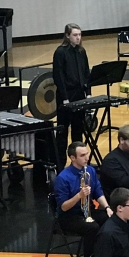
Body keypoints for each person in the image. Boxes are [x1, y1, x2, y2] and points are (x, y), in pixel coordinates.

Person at [54, 141, 111, 257]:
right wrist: (79, 196)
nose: (87, 158)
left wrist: (107, 207)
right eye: (82, 155)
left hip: (87, 211)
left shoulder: (89, 170)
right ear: (73, 158)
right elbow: (63, 207)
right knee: (92, 227)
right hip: (69, 217)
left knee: (109, 220)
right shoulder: (63, 178)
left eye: (87, 154)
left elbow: (98, 191)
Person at [52, 23, 91, 167]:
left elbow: (87, 73)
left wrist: (88, 93)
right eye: (75, 35)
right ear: (67, 36)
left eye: (80, 35)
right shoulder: (60, 52)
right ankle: (59, 164)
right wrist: (65, 98)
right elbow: (58, 76)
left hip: (79, 94)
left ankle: (78, 162)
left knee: (77, 130)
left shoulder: (81, 51)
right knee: (62, 132)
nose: (78, 38)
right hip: (66, 96)